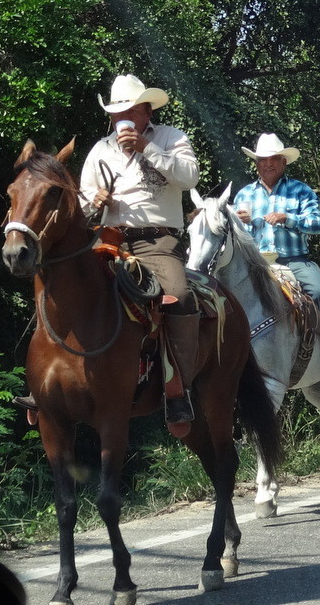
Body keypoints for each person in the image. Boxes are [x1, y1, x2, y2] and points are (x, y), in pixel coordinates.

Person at [72, 74, 201, 426]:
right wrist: (93, 201)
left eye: (128, 110)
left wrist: (148, 150)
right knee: (65, 284)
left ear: (146, 110)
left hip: (158, 240)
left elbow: (190, 177)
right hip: (109, 237)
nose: (120, 118)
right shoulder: (101, 149)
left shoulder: (170, 138)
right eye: (116, 112)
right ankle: (50, 383)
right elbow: (83, 199)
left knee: (178, 295)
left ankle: (180, 390)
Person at [234, 132, 320, 386]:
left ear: (283, 162)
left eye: (274, 159)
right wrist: (237, 223)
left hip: (293, 260)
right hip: (256, 263)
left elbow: (317, 224)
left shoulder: (300, 190)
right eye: (263, 159)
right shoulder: (243, 195)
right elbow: (231, 236)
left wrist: (289, 219)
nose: (268, 164)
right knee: (226, 295)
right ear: (256, 163)